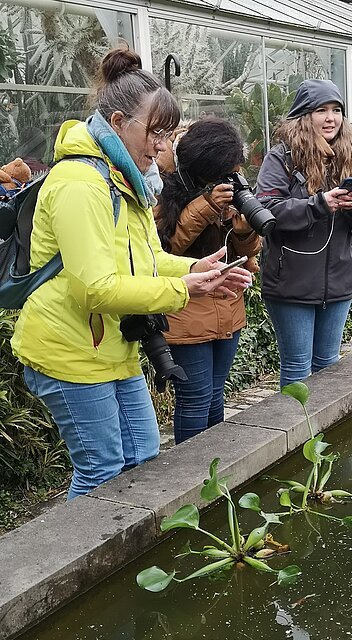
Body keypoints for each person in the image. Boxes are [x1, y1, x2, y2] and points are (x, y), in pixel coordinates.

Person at [11, 49, 251, 499]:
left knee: (143, 456)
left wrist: (196, 268)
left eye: (169, 135)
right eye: (156, 132)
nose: (163, 147)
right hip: (70, 351)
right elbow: (96, 288)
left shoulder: (123, 180)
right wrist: (182, 290)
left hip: (111, 345)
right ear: (119, 122)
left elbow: (143, 258)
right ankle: (80, 565)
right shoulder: (80, 184)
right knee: (102, 469)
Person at [255, 79, 352, 388]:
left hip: (337, 282)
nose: (330, 118)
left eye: (336, 110)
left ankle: (322, 436)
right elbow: (267, 209)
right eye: (321, 110)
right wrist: (319, 204)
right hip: (291, 284)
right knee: (298, 370)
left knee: (329, 367)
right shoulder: (280, 158)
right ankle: (296, 436)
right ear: (303, 116)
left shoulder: (349, 157)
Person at [155, 118, 261, 443]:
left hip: (226, 306)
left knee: (215, 395)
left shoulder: (228, 188)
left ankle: (214, 471)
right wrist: (206, 205)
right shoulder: (163, 188)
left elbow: (244, 251)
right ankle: (190, 480)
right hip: (186, 311)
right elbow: (164, 248)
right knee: (196, 398)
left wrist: (244, 231)